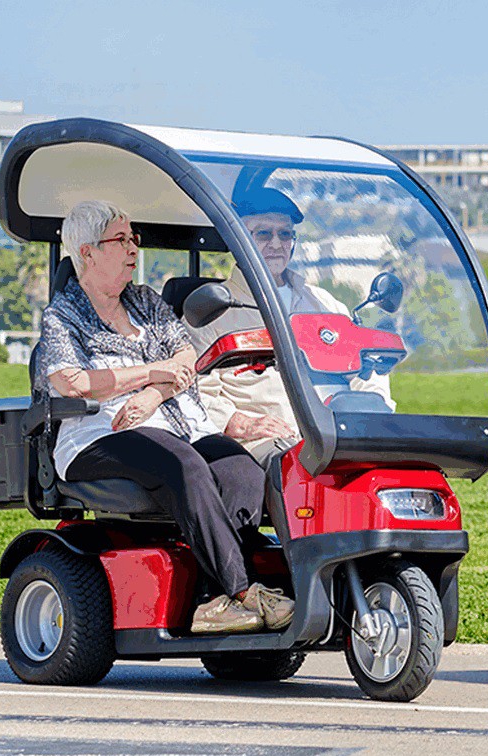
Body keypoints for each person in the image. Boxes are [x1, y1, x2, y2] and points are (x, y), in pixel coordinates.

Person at [35, 200, 294, 635]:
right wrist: (152, 373)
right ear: (87, 252)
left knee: (240, 471)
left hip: (175, 422)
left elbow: (186, 356)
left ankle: (213, 601)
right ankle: (245, 592)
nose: (134, 248)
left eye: (134, 238)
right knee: (186, 465)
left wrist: (153, 394)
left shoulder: (145, 302)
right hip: (101, 433)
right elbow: (73, 382)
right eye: (121, 240)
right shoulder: (63, 316)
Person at [186, 187, 395, 467]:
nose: (276, 243)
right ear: (237, 241)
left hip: (337, 435)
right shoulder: (213, 310)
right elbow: (192, 389)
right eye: (263, 233)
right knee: (296, 472)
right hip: (264, 444)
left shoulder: (323, 303)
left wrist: (372, 409)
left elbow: (364, 365)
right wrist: (240, 422)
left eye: (285, 234)